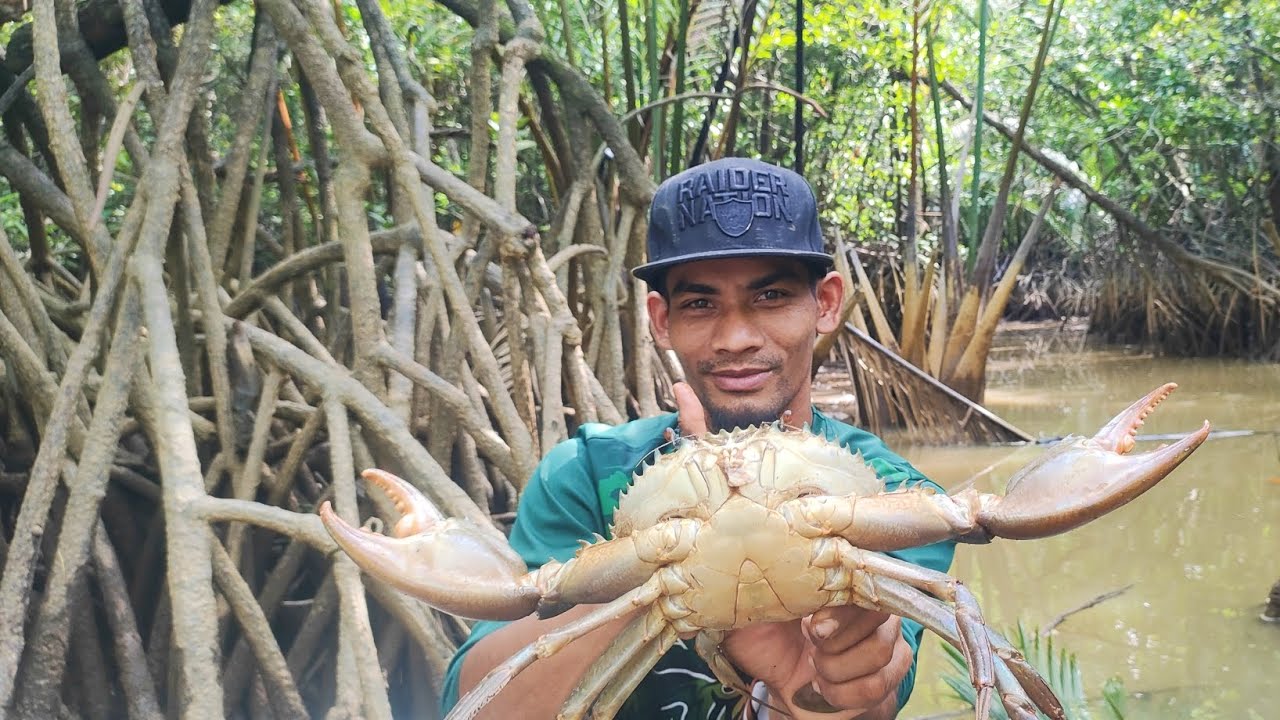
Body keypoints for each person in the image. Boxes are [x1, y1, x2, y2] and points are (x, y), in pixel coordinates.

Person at [441, 157, 956, 719]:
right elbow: (476, 704)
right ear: (662, 319)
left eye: (771, 296)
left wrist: (804, 682)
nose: (735, 337)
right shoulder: (585, 473)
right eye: (700, 304)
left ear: (826, 303)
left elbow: (876, 693)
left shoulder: (893, 494)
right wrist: (657, 566)